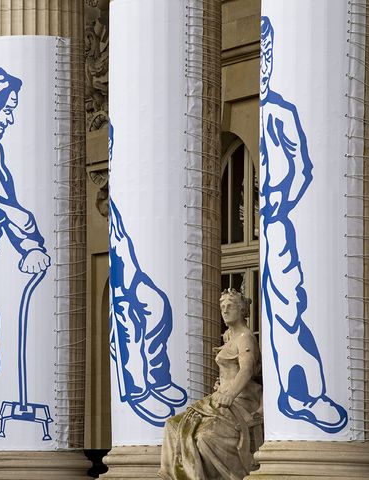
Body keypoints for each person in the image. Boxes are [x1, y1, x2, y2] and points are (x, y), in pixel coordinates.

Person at [259, 16, 347, 433]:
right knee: (277, 309)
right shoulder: (264, 113)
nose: (264, 61)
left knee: (289, 305)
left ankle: (306, 393)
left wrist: (280, 200)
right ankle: (293, 394)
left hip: (279, 226)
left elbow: (302, 168)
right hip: (265, 228)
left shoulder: (279, 112)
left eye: (268, 53)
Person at [0, 67, 51, 442]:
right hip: (0, 265)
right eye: (7, 108)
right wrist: (30, 241)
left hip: (8, 261)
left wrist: (29, 245)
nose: (10, 117)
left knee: (3, 337)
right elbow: (2, 205)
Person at [108, 123, 187, 426]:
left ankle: (157, 375)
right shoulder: (120, 187)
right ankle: (138, 389)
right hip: (122, 278)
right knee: (131, 325)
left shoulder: (128, 187)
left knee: (159, 307)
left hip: (132, 270)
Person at [160, 289, 263, 480]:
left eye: (230, 306)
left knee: (204, 437)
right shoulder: (228, 336)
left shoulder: (245, 337)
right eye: (222, 307)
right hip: (218, 399)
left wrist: (230, 393)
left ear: (242, 310)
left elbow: (246, 370)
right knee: (173, 424)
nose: (224, 311)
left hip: (239, 400)